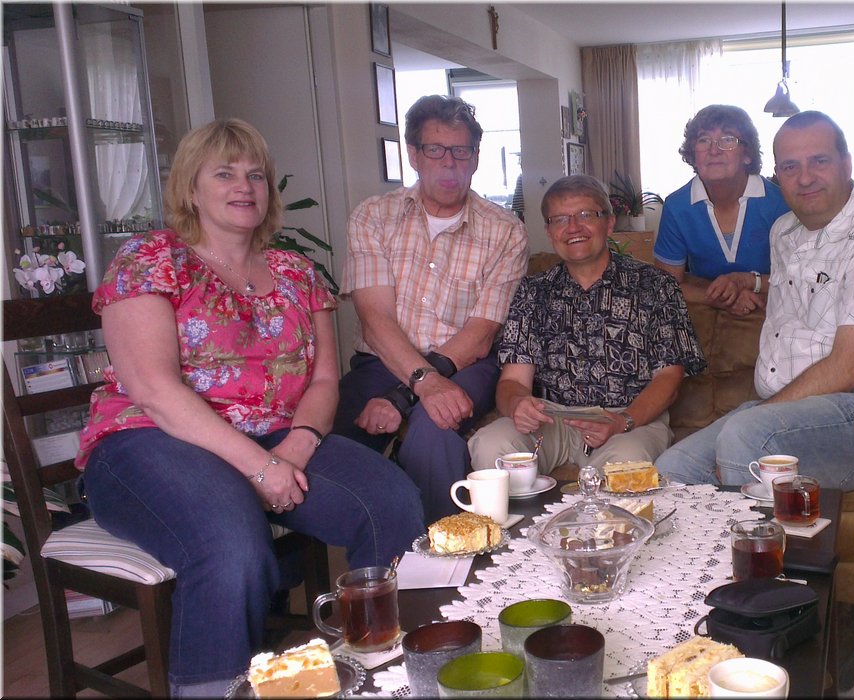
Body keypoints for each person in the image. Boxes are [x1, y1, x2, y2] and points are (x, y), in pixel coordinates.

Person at [76, 119, 424, 696]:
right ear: (191, 188)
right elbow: (154, 390)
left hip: (276, 437)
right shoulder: (150, 259)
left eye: (256, 175)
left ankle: (378, 672)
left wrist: (294, 448)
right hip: (149, 441)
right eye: (224, 173)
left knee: (390, 502)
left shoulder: (296, 273)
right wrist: (260, 467)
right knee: (231, 546)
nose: (244, 185)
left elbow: (325, 381)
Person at [655, 111, 854, 491]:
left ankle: (756, 531)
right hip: (787, 410)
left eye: (819, 161)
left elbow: (847, 369)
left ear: (846, 164)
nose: (804, 178)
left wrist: (761, 417)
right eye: (790, 167)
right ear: (777, 174)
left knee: (746, 437)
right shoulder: (785, 231)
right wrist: (748, 284)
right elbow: (807, 291)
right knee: (671, 469)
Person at [333, 95, 528, 523]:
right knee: (333, 440)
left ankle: (447, 551)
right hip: (382, 359)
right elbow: (375, 320)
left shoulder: (506, 230)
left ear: (475, 158)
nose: (449, 164)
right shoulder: (373, 216)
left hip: (466, 363)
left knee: (435, 426)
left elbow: (480, 334)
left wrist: (407, 395)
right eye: (435, 150)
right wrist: (422, 383)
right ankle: (382, 548)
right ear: (414, 155)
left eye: (461, 151)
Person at [468, 175, 706, 474]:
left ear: (609, 223)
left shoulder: (655, 286)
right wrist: (517, 404)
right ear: (549, 232)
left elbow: (669, 379)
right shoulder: (533, 291)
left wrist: (623, 421)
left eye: (585, 215)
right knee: (491, 444)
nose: (573, 227)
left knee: (627, 462)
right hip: (550, 418)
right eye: (559, 219)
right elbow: (513, 382)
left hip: (628, 420)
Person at [653, 104, 790, 317]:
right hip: (705, 310)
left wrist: (748, 283)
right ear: (693, 155)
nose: (714, 150)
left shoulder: (780, 203)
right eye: (703, 140)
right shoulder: (676, 207)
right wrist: (722, 300)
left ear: (747, 154)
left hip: (772, 309)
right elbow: (666, 284)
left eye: (727, 139)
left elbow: (801, 279)